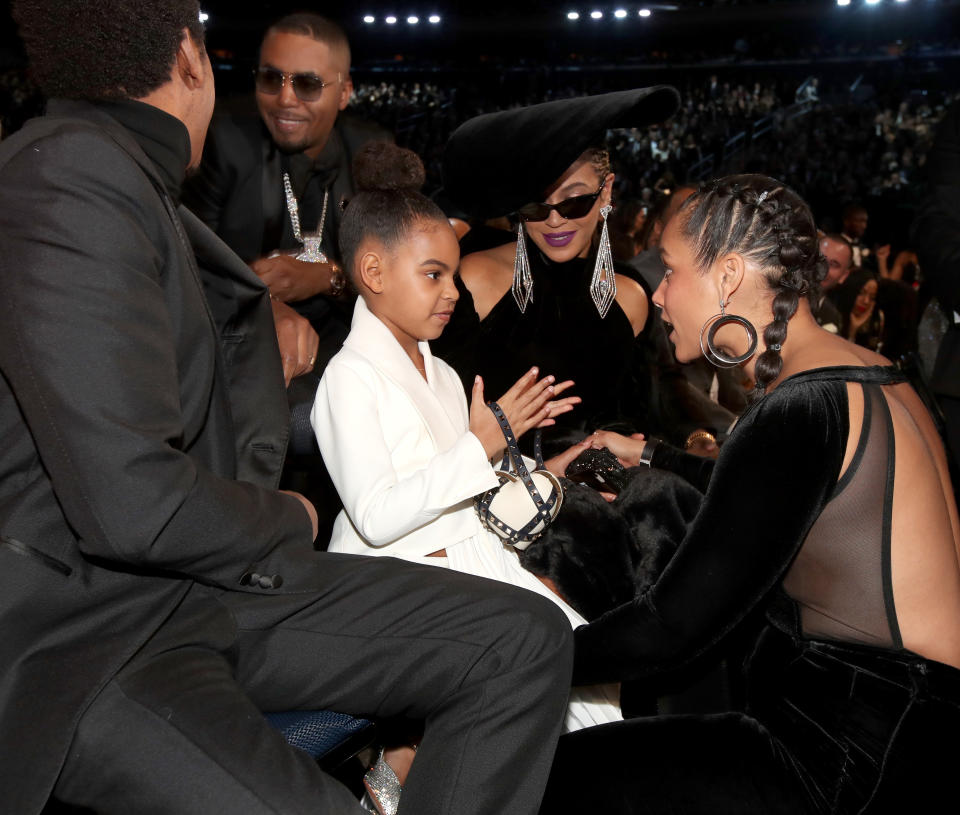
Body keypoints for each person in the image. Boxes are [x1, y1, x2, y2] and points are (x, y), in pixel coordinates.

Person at [0, 3, 574, 814]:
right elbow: (132, 505)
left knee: (525, 638)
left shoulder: (121, 177)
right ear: (191, 59)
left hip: (200, 584)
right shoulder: (70, 174)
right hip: (97, 634)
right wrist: (291, 515)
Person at [539, 174, 960, 813]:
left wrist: (522, 656)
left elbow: (671, 626)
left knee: (555, 777)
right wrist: (650, 453)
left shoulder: (803, 407)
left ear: (729, 277)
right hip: (915, 732)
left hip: (848, 750)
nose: (658, 294)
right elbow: (772, 506)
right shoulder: (873, 374)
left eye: (672, 270)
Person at [311, 144, 621, 803]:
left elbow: (473, 485)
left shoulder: (444, 372)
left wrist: (547, 468)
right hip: (398, 586)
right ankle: (400, 777)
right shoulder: (347, 378)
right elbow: (374, 513)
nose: (454, 292)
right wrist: (478, 450)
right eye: (434, 275)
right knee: (554, 665)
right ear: (373, 270)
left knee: (595, 662)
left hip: (469, 566)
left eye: (453, 275)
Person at [434, 87, 681, 449]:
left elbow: (644, 415)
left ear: (607, 191)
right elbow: (439, 425)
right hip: (500, 493)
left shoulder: (631, 297)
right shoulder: (475, 279)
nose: (554, 221)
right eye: (535, 207)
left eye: (574, 202)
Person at [834, 268, 886, 353]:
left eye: (872, 297)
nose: (866, 301)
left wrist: (854, 330)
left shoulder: (875, 321)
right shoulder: (832, 315)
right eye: (861, 293)